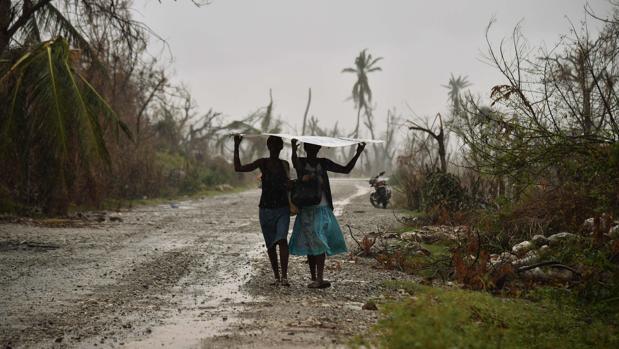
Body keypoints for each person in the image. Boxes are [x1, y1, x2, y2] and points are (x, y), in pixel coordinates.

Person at [289, 139, 366, 288]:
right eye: (309, 146)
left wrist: (358, 153)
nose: (312, 149)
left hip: (322, 208)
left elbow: (345, 169)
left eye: (314, 146)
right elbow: (295, 162)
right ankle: (315, 278)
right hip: (306, 209)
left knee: (319, 240)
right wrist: (292, 148)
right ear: (305, 147)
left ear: (318, 148)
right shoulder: (301, 162)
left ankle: (319, 278)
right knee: (311, 243)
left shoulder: (323, 162)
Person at [234, 135, 291, 286]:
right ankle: (277, 277)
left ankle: (284, 277)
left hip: (282, 208)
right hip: (265, 209)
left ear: (280, 148)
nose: (274, 148)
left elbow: (289, 183)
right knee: (271, 244)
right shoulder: (262, 163)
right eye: (272, 145)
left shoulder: (285, 164)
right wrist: (236, 145)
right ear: (268, 146)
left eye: (276, 145)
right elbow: (238, 168)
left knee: (282, 240)